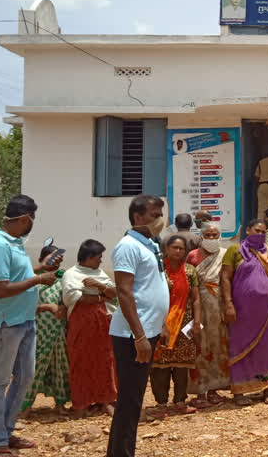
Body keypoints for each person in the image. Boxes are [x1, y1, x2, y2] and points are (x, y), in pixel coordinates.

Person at [0, 195, 62, 455]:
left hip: (25, 320)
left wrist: (41, 267)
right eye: (32, 219)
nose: (32, 224)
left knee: (24, 378)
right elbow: (2, 289)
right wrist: (39, 280)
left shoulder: (14, 243)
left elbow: (19, 275)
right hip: (7, 323)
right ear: (23, 218)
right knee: (0, 381)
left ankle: (6, 430)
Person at [107, 195, 171, 457]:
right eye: (154, 215)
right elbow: (124, 292)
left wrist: (161, 324)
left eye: (160, 214)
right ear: (137, 217)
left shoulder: (151, 244)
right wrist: (140, 336)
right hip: (132, 335)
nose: (159, 220)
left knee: (134, 399)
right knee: (130, 400)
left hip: (149, 331)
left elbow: (153, 286)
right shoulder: (127, 246)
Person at [221, 219, 268, 406]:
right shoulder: (234, 251)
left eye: (263, 232)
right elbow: (225, 278)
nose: (260, 234)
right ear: (248, 230)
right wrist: (228, 304)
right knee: (240, 347)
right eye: (256, 230)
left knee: (267, 349)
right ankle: (240, 392)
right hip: (242, 312)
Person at [61, 239, 119, 418]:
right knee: (81, 362)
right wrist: (102, 297)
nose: (101, 261)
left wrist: (99, 287)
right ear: (88, 257)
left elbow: (114, 293)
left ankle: (106, 400)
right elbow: (78, 298)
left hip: (103, 323)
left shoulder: (99, 273)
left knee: (105, 361)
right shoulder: (71, 274)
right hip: (82, 325)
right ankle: (81, 403)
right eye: (98, 258)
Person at [150, 235, 200, 415]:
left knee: (182, 365)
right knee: (159, 366)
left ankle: (180, 400)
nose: (178, 251)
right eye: (175, 248)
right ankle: (161, 403)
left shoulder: (190, 271)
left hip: (184, 322)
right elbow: (149, 296)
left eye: (181, 248)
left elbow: (195, 299)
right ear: (166, 249)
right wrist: (164, 287)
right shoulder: (157, 271)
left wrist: (197, 322)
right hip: (160, 321)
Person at [20, 244, 70, 418]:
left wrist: (64, 307)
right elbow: (24, 307)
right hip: (38, 332)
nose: (57, 265)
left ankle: (61, 404)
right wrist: (47, 307)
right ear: (42, 260)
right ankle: (24, 407)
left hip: (58, 331)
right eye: (53, 260)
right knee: (34, 368)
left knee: (61, 367)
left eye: (60, 261)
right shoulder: (32, 279)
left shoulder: (64, 279)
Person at [186, 223, 230, 407]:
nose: (211, 238)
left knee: (218, 347)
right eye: (208, 234)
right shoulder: (193, 255)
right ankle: (199, 392)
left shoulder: (225, 254)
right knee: (198, 347)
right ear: (201, 236)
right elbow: (188, 279)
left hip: (218, 307)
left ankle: (214, 389)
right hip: (198, 307)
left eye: (215, 234)